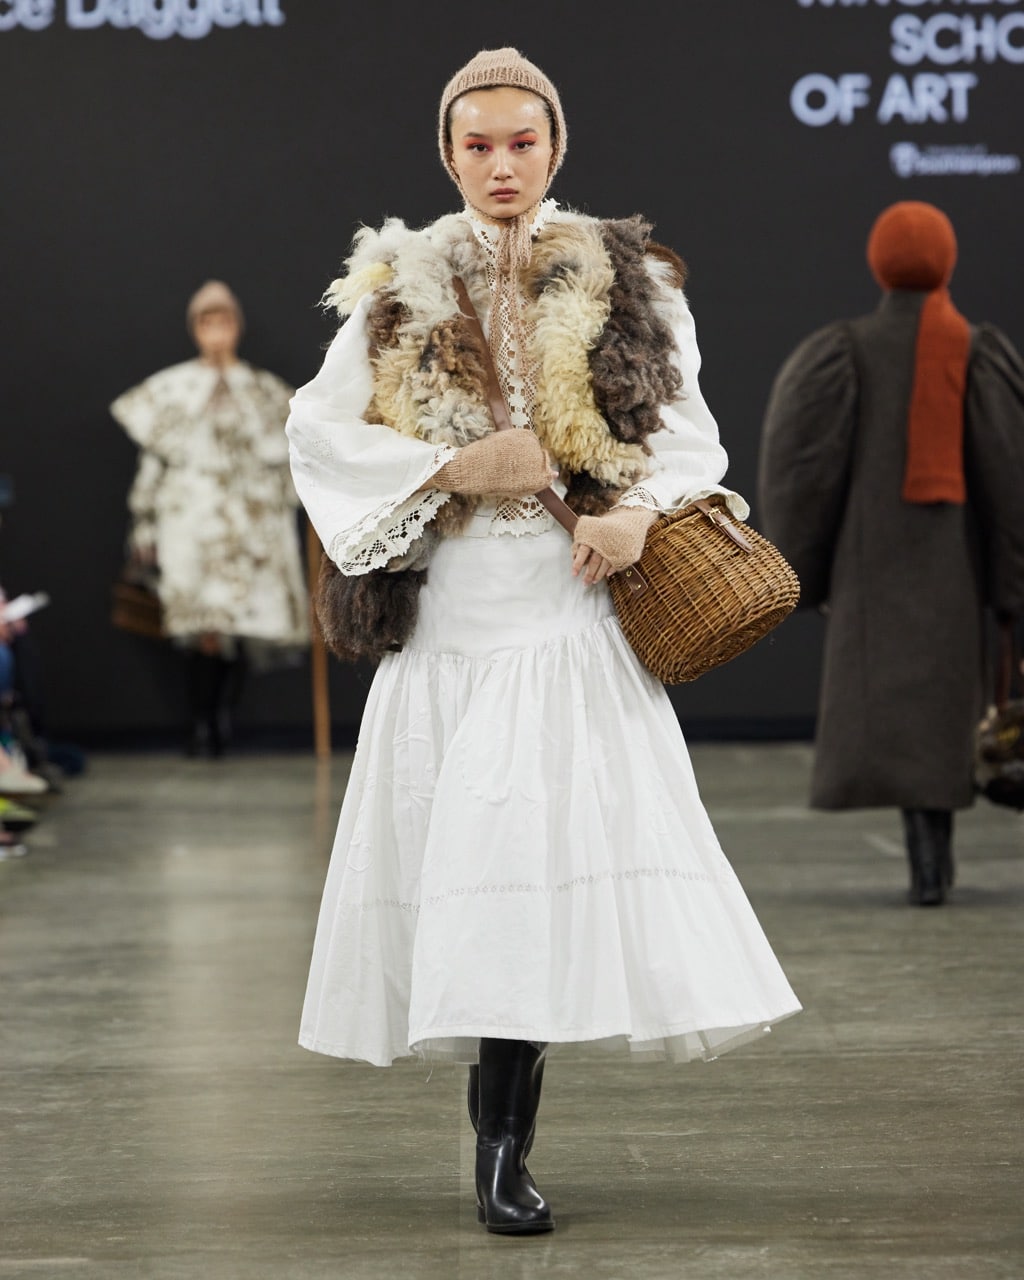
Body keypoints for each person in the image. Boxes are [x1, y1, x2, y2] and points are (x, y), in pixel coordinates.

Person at [288, 48, 800, 1235]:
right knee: (479, 886)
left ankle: (503, 1148)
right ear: (447, 153)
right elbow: (317, 435)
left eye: (522, 142)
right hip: (457, 618)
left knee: (523, 885)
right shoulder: (397, 284)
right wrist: (456, 465)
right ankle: (497, 1152)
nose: (502, 163)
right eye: (478, 145)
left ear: (555, 146)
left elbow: (686, 435)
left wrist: (629, 516)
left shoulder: (629, 280)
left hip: (570, 619)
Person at [758, 201, 1024, 907]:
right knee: (944, 721)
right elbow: (1010, 478)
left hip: (870, 573)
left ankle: (926, 866)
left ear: (879, 264)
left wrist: (801, 575)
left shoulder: (841, 352)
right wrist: (1011, 587)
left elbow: (801, 474)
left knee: (901, 721)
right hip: (956, 574)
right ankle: (936, 859)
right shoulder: (979, 351)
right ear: (949, 261)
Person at [111, 282, 309, 756]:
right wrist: (143, 522)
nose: (216, 331)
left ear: (237, 325)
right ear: (194, 329)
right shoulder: (171, 390)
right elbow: (156, 458)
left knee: (238, 624)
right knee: (203, 626)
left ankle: (218, 720)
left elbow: (288, 463)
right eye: (207, 321)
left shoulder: (265, 391)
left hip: (250, 522)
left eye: (224, 320)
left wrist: (298, 508)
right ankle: (202, 722)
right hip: (192, 520)